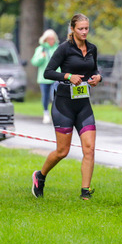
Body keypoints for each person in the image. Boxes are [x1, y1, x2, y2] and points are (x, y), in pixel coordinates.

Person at [31, 14, 102, 200]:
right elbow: (48, 72)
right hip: (64, 105)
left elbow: (93, 70)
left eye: (87, 28)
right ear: (73, 29)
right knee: (63, 151)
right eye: (81, 29)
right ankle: (40, 176)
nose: (85, 32)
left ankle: (85, 192)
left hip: (83, 106)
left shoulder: (92, 49)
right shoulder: (64, 49)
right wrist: (68, 76)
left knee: (89, 148)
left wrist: (97, 78)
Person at [30, 29, 59, 124]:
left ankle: (56, 114)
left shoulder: (58, 48)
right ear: (45, 39)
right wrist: (41, 57)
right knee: (45, 97)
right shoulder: (40, 49)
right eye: (49, 39)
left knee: (54, 96)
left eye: (52, 38)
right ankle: (46, 113)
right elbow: (34, 62)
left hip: (55, 77)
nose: (51, 40)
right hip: (43, 78)